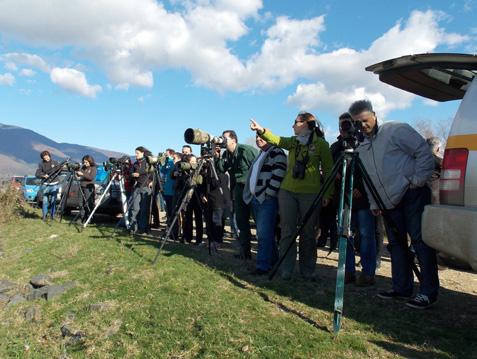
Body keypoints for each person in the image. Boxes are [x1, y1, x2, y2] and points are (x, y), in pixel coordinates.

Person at [350, 99, 439, 309]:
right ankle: (401, 287)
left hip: (412, 195)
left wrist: (417, 181)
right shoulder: (361, 146)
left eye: (364, 120)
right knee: (397, 245)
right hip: (387, 201)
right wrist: (373, 201)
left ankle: (428, 292)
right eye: (357, 123)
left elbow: (423, 153)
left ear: (374, 115)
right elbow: (368, 177)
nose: (362, 126)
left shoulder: (396, 130)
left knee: (419, 242)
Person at [250, 112, 333, 280]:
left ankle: (307, 271)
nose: (293, 125)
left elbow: (329, 170)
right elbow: (277, 140)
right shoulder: (293, 142)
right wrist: (261, 130)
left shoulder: (322, 145)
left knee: (308, 234)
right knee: (287, 231)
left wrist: (328, 193)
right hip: (287, 192)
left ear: (307, 125)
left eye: (296, 122)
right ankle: (286, 269)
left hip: (310, 194)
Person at [331, 113, 376, 286]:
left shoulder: (364, 144)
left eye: (348, 124)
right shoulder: (336, 147)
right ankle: (348, 271)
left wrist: (359, 187)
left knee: (366, 235)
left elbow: (369, 169)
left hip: (363, 197)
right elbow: (332, 170)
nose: (345, 127)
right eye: (342, 124)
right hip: (344, 197)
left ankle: (368, 272)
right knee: (344, 234)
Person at [243, 134, 287, 275]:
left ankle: (263, 266)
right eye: (256, 137)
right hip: (256, 198)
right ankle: (272, 261)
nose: (258, 139)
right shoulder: (261, 153)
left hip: (266, 199)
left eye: (261, 136)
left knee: (263, 234)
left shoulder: (276, 151)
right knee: (266, 234)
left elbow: (279, 172)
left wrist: (269, 193)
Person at [215, 130, 258, 259]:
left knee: (259, 221)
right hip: (238, 190)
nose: (222, 140)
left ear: (233, 140)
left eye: (225, 138)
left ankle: (266, 255)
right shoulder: (226, 154)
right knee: (241, 221)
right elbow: (221, 169)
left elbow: (259, 166)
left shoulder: (246, 150)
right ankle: (245, 252)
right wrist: (216, 156)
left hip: (252, 188)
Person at [129, 146, 153, 234]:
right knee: (135, 208)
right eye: (135, 153)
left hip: (146, 187)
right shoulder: (135, 163)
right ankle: (133, 227)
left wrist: (151, 181)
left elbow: (152, 174)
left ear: (142, 153)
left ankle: (143, 228)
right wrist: (133, 175)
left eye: (137, 153)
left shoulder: (148, 163)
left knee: (144, 209)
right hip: (137, 186)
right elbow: (130, 173)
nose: (136, 155)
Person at [35, 150, 60, 222]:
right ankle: (44, 217)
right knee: (45, 201)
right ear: (42, 158)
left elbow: (60, 171)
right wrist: (43, 175)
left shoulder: (55, 163)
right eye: (44, 157)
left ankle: (52, 217)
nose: (46, 158)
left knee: (53, 201)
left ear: (49, 156)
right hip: (45, 185)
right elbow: (37, 174)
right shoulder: (41, 164)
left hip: (54, 184)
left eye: (47, 156)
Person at [76, 155, 97, 223]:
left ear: (90, 161)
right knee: (80, 203)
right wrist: (77, 174)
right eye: (84, 162)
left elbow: (91, 177)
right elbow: (80, 175)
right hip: (81, 186)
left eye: (86, 162)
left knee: (88, 203)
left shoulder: (93, 168)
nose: (85, 163)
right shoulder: (83, 167)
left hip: (89, 187)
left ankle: (89, 218)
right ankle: (82, 217)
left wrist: (82, 174)